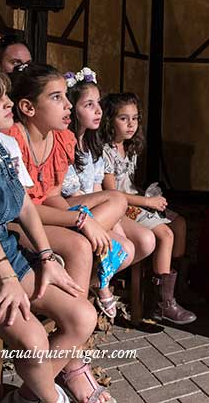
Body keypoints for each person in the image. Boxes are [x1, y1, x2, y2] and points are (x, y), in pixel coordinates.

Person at [0, 63, 114, 403]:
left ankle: (27, 397)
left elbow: (26, 207)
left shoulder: (4, 143)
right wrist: (7, 277)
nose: (8, 103)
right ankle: (52, 399)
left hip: (7, 250)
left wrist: (47, 257)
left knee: (82, 316)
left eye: (6, 95)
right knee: (32, 340)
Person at [100, 93, 197, 325]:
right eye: (124, 118)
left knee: (179, 223)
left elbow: (132, 185)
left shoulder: (129, 147)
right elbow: (113, 194)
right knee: (165, 233)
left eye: (135, 118)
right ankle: (163, 304)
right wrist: (147, 203)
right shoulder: (107, 152)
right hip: (123, 207)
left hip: (137, 199)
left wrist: (150, 196)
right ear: (109, 120)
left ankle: (171, 289)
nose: (131, 124)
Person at [61, 68, 148, 321]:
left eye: (98, 104)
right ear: (72, 109)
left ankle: (94, 282)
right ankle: (98, 287)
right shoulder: (64, 142)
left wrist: (114, 223)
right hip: (71, 210)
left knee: (127, 247)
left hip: (95, 209)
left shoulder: (92, 144)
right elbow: (71, 193)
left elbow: (98, 188)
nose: (99, 110)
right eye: (89, 104)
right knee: (119, 202)